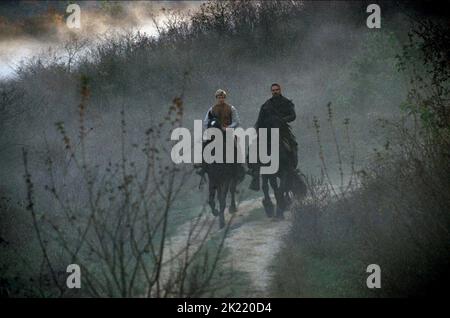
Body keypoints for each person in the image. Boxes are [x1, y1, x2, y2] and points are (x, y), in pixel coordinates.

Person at [249, 83, 298, 190]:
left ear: (280, 90)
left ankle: (291, 165)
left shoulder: (287, 102)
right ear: (271, 91)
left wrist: (282, 120)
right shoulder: (266, 105)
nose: (275, 91)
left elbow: (293, 116)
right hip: (266, 131)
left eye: (277, 89)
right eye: (273, 90)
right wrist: (258, 130)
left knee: (291, 144)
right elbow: (259, 120)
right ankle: (255, 174)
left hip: (282, 130)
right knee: (254, 147)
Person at [196, 89, 243, 182]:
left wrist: (228, 127)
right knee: (205, 144)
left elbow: (237, 122)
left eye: (222, 97)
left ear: (225, 98)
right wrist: (211, 128)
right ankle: (203, 165)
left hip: (227, 132)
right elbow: (205, 122)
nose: (221, 99)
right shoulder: (212, 109)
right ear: (216, 98)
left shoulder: (231, 108)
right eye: (219, 97)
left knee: (235, 145)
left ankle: (238, 166)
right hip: (215, 132)